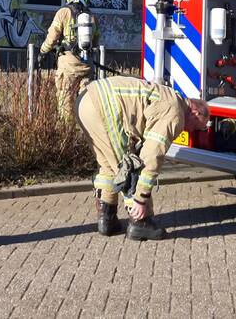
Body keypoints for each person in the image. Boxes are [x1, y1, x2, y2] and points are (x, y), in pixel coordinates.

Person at [76, 75, 210, 241]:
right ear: (195, 112)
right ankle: (140, 223)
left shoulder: (169, 98)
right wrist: (141, 199)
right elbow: (152, 155)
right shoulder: (175, 113)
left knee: (109, 166)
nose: (190, 131)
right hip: (104, 106)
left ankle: (107, 219)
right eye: (196, 126)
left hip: (86, 101)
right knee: (128, 167)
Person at [39, 0, 100, 122]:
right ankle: (84, 132)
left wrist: (43, 52)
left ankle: (67, 132)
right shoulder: (91, 16)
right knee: (85, 103)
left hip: (68, 66)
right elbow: (96, 41)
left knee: (65, 102)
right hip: (87, 66)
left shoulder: (63, 12)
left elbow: (52, 36)